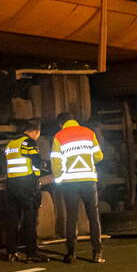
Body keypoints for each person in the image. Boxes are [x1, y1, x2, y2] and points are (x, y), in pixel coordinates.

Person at [51, 112, 105, 263]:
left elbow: (56, 162)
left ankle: (71, 253)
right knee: (93, 217)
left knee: (72, 218)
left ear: (60, 124)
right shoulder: (89, 133)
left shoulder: (59, 136)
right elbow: (99, 156)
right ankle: (97, 253)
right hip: (89, 180)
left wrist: (59, 178)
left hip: (70, 183)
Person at [3, 119, 49, 263]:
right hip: (27, 184)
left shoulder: (10, 144)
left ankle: (11, 252)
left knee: (12, 219)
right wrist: (45, 166)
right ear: (35, 131)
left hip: (11, 185)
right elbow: (37, 161)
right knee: (30, 219)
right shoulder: (27, 142)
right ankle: (31, 253)